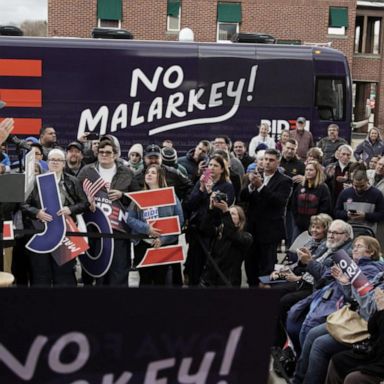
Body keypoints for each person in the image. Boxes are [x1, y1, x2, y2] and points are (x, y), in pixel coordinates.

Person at [291, 236, 384, 384]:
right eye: (353, 246)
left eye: (358, 246)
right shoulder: (373, 272)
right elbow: (354, 298)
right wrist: (346, 283)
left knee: (320, 344)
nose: (354, 249)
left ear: (370, 252)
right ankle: (298, 379)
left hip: (364, 326)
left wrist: (351, 283)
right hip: (353, 315)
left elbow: (369, 310)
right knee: (312, 332)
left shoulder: (372, 269)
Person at [21, 148, 89, 286]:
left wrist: (70, 209)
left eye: (59, 160)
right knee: (41, 273)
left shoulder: (72, 181)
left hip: (64, 232)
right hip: (41, 231)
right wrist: (37, 212)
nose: (55, 163)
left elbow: (84, 203)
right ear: (47, 162)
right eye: (52, 160)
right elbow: (23, 204)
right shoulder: (36, 180)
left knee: (64, 274)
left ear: (64, 163)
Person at [286, 220, 353, 353]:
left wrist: (309, 262)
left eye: (336, 233)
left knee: (287, 306)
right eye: (330, 232)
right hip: (310, 285)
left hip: (323, 294)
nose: (331, 235)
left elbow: (325, 278)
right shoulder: (326, 246)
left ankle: (297, 359)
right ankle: (287, 348)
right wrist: (305, 261)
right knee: (272, 288)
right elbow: (310, 266)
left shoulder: (346, 254)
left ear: (346, 236)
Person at [78, 140, 137, 285]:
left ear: (116, 154)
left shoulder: (127, 172)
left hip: (119, 230)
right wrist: (86, 203)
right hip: (94, 229)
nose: (104, 155)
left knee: (118, 272)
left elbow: (137, 198)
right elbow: (77, 193)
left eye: (108, 152)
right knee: (98, 272)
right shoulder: (87, 171)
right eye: (101, 152)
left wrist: (123, 195)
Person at [271, 214, 332, 349]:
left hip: (311, 285)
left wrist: (298, 278)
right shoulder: (309, 242)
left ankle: (280, 343)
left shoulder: (327, 247)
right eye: (313, 227)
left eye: (319, 228)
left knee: (284, 301)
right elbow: (296, 265)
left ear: (326, 230)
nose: (315, 230)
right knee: (272, 287)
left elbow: (319, 273)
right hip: (299, 278)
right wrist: (281, 272)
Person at [240, 148, 292, 285]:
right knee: (250, 264)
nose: (267, 163)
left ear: (278, 162)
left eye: (271, 160)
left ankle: (265, 296)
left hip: (270, 231)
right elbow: (242, 197)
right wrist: (251, 186)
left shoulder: (285, 181)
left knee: (267, 267)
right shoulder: (255, 175)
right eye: (265, 159)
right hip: (252, 229)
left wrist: (261, 187)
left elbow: (279, 202)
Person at [127, 164, 184, 286]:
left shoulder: (172, 196)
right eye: (147, 172)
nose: (149, 174)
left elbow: (179, 221)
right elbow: (130, 219)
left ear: (160, 177)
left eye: (153, 172)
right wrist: (147, 229)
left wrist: (163, 239)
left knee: (160, 280)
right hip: (142, 244)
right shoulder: (138, 196)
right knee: (144, 280)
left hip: (163, 245)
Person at [184, 154, 235, 285]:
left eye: (215, 165)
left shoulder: (227, 186)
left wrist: (210, 192)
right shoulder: (202, 181)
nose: (211, 168)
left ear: (222, 169)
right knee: (193, 265)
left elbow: (219, 209)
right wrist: (201, 188)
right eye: (210, 165)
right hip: (197, 229)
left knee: (207, 266)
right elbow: (191, 204)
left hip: (211, 231)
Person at [199, 201, 252, 287]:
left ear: (240, 220)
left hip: (228, 281)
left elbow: (232, 234)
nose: (229, 215)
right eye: (229, 213)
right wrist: (211, 209)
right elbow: (204, 228)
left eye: (233, 214)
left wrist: (226, 212)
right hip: (211, 279)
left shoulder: (246, 237)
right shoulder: (219, 232)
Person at [335, 170, 384, 234]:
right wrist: (347, 214)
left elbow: (381, 215)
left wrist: (365, 216)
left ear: (367, 181)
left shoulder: (377, 194)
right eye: (356, 186)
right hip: (348, 231)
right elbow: (336, 212)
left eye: (362, 186)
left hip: (368, 231)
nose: (359, 189)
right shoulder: (345, 193)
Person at [292, 161, 332, 234]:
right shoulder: (300, 186)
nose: (308, 172)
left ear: (317, 172)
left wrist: (316, 222)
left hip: (315, 227)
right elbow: (294, 204)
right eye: (306, 170)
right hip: (299, 225)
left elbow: (325, 208)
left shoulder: (323, 188)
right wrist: (297, 220)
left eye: (311, 170)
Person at [325, 144, 354, 208]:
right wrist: (329, 177)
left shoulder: (354, 168)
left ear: (351, 156)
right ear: (338, 154)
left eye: (348, 155)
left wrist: (352, 186)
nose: (345, 157)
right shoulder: (330, 167)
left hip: (349, 200)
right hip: (333, 200)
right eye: (343, 154)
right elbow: (324, 183)